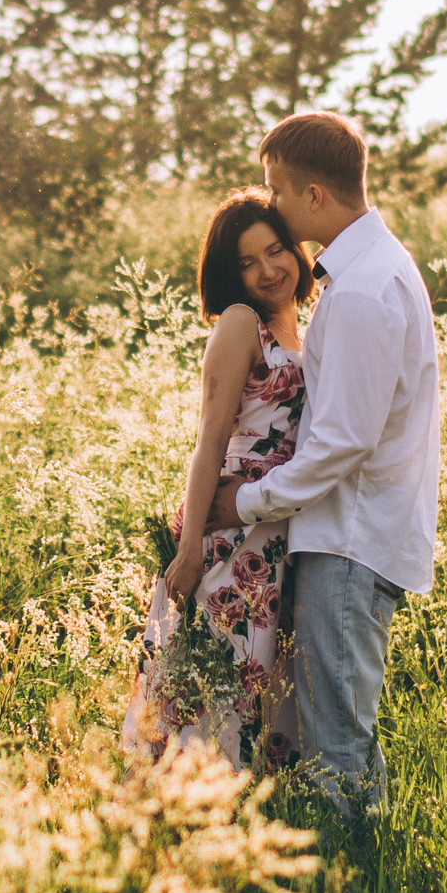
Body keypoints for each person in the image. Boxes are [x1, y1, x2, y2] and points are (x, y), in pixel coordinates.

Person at [203, 110, 440, 814]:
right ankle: (357, 875)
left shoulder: (365, 289)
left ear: (312, 197)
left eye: (276, 189)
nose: (267, 201)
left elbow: (344, 442)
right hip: (349, 536)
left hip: (349, 540)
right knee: (341, 729)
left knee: (335, 741)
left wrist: (244, 502)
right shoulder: (368, 271)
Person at [119, 189, 311, 771]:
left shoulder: (301, 325)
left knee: (253, 684)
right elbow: (209, 442)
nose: (267, 270)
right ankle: (173, 811)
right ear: (230, 276)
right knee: (203, 685)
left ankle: (234, 821)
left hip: (274, 529)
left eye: (275, 250)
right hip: (226, 532)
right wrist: (188, 550)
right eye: (247, 262)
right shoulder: (241, 322)